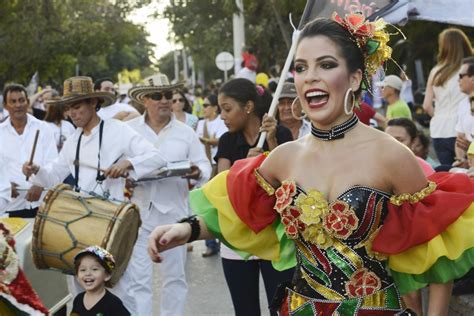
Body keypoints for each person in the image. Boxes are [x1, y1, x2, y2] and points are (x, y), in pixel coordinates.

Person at [148, 13, 474, 315]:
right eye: (301, 68)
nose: (310, 78)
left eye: (326, 65)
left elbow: (439, 251)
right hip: (301, 308)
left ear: (355, 77)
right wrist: (185, 229)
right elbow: (236, 214)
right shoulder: (284, 157)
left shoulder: (391, 155)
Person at [22, 76, 167, 314]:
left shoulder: (117, 130)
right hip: (82, 223)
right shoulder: (73, 140)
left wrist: (128, 163)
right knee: (80, 288)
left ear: (93, 103)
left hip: (112, 225)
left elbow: (157, 157)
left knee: (120, 289)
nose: (72, 113)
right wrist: (36, 171)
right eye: (68, 108)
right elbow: (53, 175)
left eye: (77, 106)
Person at [126, 74, 211, 316]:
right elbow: (116, 166)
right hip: (138, 214)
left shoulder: (185, 132)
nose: (164, 101)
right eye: (157, 96)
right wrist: (126, 177)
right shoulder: (129, 131)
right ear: (144, 100)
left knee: (174, 277)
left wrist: (196, 172)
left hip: (173, 215)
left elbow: (204, 166)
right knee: (138, 279)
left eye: (167, 96)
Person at [0, 83, 58, 218]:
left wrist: (40, 183)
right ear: (5, 106)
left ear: (27, 102)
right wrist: (4, 185)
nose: (18, 105)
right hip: (10, 205)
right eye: (13, 101)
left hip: (41, 204)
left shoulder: (43, 128)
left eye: (21, 100)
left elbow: (53, 163)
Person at [423, 28, 473, 166]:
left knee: (450, 174)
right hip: (464, 132)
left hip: (439, 131)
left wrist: (439, 116)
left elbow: (426, 106)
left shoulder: (435, 71)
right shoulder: (468, 70)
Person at [195, 94, 228, 257]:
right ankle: (210, 244)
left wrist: (207, 140)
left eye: (207, 105)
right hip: (204, 167)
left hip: (216, 166)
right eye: (203, 105)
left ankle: (224, 240)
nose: (204, 108)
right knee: (205, 205)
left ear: (215, 107)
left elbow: (222, 141)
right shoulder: (200, 123)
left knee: (218, 204)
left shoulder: (221, 122)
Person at [72, 246, 130, 316]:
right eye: (83, 270)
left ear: (107, 275)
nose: (88, 273)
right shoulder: (78, 300)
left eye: (94, 269)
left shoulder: (113, 303)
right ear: (77, 276)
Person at [454, 57, 474, 168]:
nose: (458, 80)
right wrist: (460, 160)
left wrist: (471, 147)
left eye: (461, 76)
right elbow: (459, 140)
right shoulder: (463, 104)